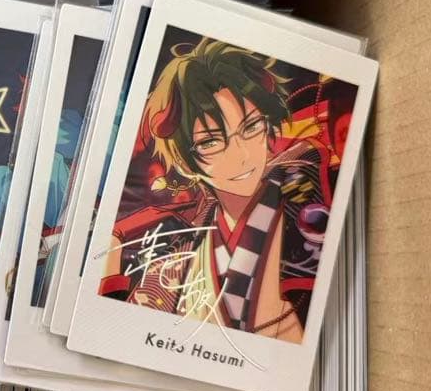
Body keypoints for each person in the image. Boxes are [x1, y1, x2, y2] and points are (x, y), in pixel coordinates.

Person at [100, 37, 338, 345]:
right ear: (184, 163)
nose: (241, 155)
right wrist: (112, 254)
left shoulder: (310, 194)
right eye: (211, 142)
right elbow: (119, 340)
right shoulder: (176, 266)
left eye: (251, 127)